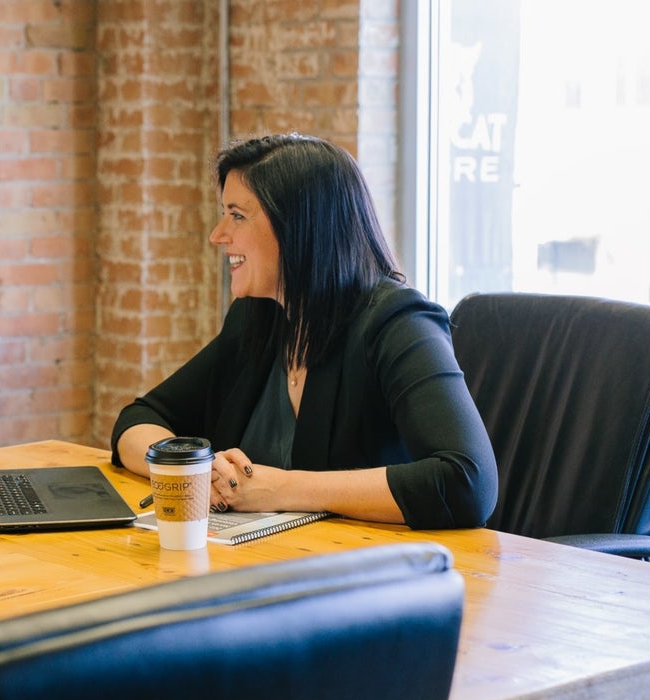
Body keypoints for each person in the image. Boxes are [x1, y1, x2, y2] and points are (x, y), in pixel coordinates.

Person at [111, 133, 497, 529]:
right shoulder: (258, 318)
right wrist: (194, 472)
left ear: (299, 227)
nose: (218, 234)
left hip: (369, 572)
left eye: (237, 215)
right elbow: (140, 418)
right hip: (271, 565)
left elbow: (467, 483)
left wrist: (280, 489)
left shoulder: (399, 323)